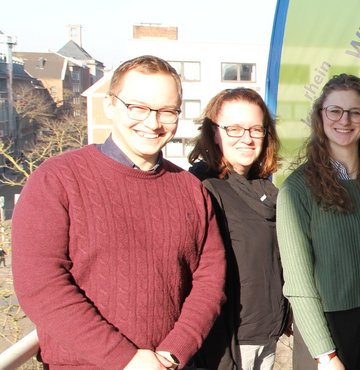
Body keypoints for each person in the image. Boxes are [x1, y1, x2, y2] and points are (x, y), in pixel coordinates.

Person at [12, 55, 225, 368]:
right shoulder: (58, 179)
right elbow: (40, 285)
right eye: (137, 107)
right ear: (110, 106)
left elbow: (210, 282)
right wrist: (125, 359)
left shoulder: (190, 190)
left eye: (167, 111)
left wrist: (173, 352)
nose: (153, 123)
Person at [277, 74, 360, 369]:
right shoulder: (297, 190)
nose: (344, 120)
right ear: (320, 116)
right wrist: (325, 354)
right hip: (329, 330)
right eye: (335, 110)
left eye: (355, 111)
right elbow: (298, 284)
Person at [187, 88, 288, 370]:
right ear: (213, 132)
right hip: (224, 343)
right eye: (234, 128)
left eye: (256, 129)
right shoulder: (202, 189)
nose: (247, 138)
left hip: (267, 335)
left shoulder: (268, 191)